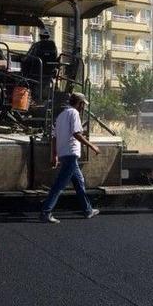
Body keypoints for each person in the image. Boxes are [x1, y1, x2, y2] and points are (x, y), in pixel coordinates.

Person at [40, 92, 101, 224]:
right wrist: (92, 146)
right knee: (59, 185)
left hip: (64, 154)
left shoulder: (61, 115)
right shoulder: (74, 113)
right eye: (83, 104)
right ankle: (46, 212)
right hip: (71, 154)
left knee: (79, 182)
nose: (83, 107)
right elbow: (76, 133)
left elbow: (54, 137)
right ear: (79, 103)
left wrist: (55, 155)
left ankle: (87, 210)